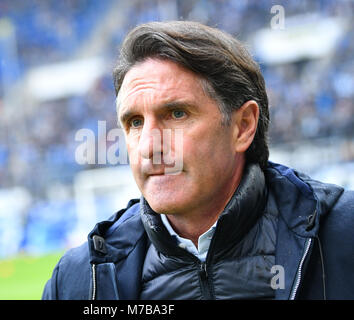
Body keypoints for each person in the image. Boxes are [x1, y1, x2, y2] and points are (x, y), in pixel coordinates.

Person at [42, 21, 354, 300]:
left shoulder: (343, 238)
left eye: (177, 113)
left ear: (243, 126)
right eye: (135, 122)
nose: (149, 146)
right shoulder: (79, 282)